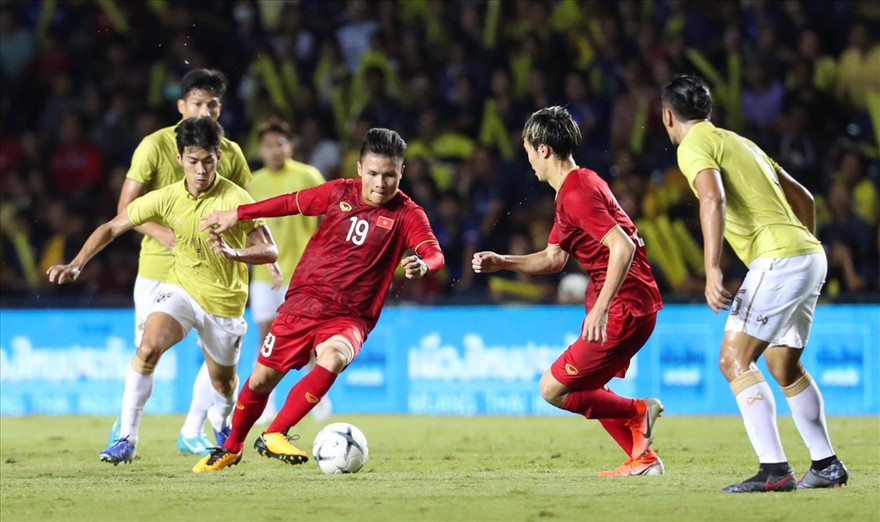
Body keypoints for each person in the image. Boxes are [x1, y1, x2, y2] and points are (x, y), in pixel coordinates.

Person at [191, 127, 444, 473]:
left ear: (402, 171)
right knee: (261, 380)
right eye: (373, 173)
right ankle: (232, 447)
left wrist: (424, 264)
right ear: (359, 168)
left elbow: (435, 253)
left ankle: (277, 430)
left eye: (389, 175)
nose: (381, 183)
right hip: (304, 303)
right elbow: (289, 203)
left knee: (334, 357)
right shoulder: (338, 191)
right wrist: (239, 214)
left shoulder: (407, 214)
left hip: (351, 315)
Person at [47, 117, 278, 465]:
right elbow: (114, 226)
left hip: (224, 303)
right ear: (179, 157)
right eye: (193, 161)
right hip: (181, 289)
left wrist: (235, 253)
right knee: (149, 347)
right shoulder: (169, 197)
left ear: (219, 156)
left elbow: (270, 250)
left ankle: (221, 422)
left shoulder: (235, 198)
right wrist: (77, 263)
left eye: (208, 160)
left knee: (225, 385)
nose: (201, 170)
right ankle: (127, 437)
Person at [660, 74, 849, 492]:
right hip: (807, 252)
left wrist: (712, 269)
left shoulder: (692, 145)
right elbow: (806, 200)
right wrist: (802, 248)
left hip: (780, 258)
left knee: (733, 359)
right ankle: (827, 465)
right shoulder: (742, 143)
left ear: (667, 116)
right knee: (783, 364)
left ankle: (774, 471)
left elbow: (712, 197)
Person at [472, 106, 665, 477]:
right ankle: (643, 460)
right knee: (590, 385)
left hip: (624, 307)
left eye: (529, 151)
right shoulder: (578, 186)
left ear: (543, 149)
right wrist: (503, 261)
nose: (529, 161)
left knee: (553, 389)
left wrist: (601, 309)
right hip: (633, 303)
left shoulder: (577, 194)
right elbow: (554, 258)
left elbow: (622, 247)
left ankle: (639, 411)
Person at [113, 68, 276, 456]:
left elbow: (247, 213)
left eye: (213, 104)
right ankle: (126, 431)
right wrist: (163, 234)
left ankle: (194, 427)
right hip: (159, 267)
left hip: (220, 271)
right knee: (147, 349)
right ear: (181, 105)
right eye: (198, 103)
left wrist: (258, 254)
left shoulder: (231, 153)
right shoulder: (154, 146)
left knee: (218, 365)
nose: (206, 111)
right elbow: (124, 210)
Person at [247, 118, 331, 424]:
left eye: (279, 144)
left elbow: (330, 216)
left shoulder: (308, 176)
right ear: (260, 149)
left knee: (307, 339)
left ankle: (316, 395)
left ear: (290, 146)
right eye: (268, 145)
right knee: (266, 338)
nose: (274, 150)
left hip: (304, 273)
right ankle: (265, 403)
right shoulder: (253, 182)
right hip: (263, 276)